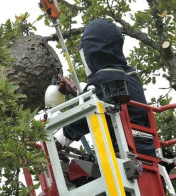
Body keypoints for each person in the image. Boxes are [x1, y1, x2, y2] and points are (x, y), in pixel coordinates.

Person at [56, 18, 156, 157]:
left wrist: (59, 140)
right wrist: (77, 90)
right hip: (148, 149)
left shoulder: (102, 78)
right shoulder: (130, 75)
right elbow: (106, 95)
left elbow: (85, 115)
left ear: (91, 52)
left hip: (122, 154)